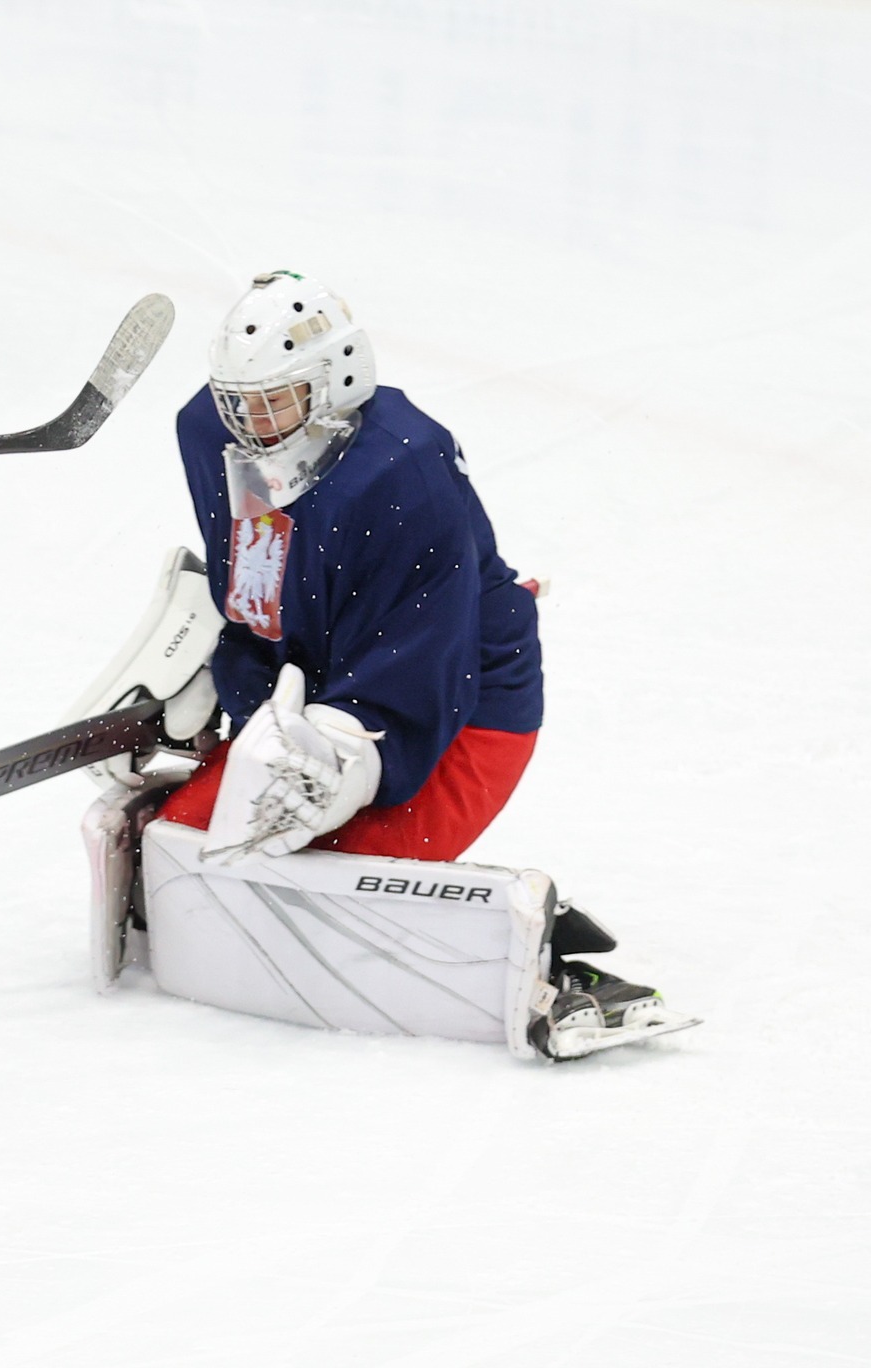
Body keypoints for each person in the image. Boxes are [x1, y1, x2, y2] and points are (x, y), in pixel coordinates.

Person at [76, 271, 691, 1058]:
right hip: (319, 685)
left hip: (461, 710)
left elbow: (425, 664)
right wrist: (213, 670)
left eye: (273, 402)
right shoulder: (212, 432)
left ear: (338, 379)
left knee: (271, 884)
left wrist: (341, 764)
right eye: (237, 401)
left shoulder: (407, 473)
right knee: (194, 858)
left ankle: (540, 963)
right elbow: (257, 573)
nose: (249, 425)